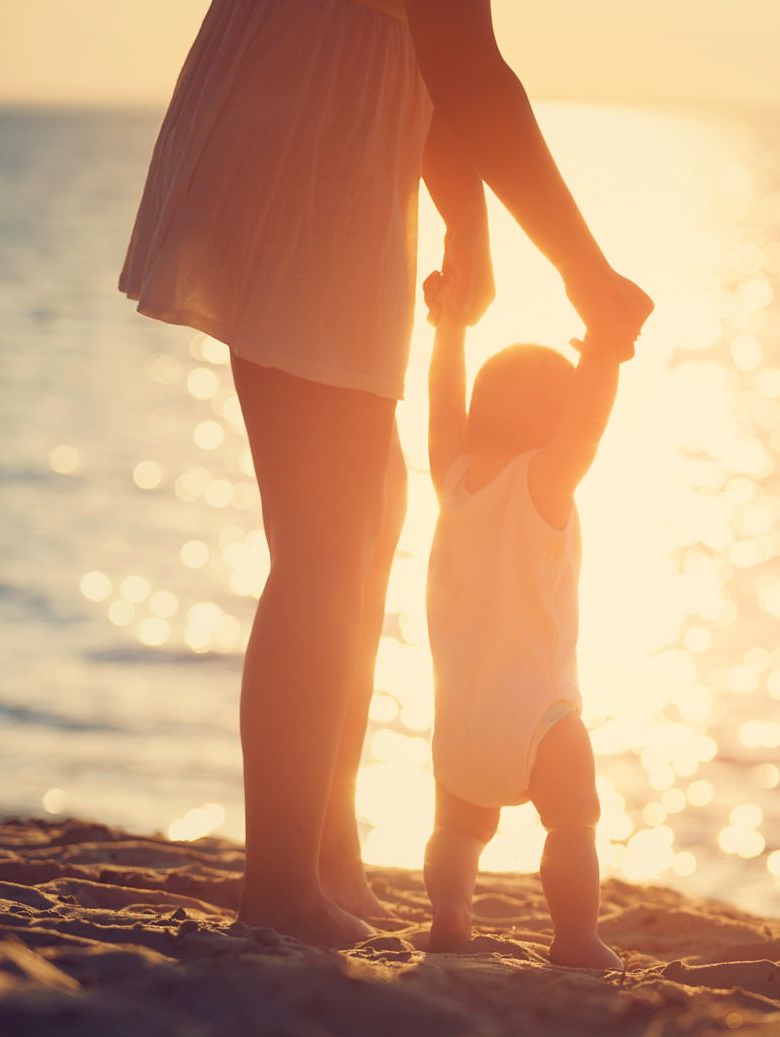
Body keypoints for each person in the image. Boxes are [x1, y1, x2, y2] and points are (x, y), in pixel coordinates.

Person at [119, 0, 651, 947]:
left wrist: (466, 218)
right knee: (325, 546)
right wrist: (584, 273)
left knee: (366, 526)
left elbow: (425, 52)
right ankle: (281, 888)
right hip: (306, 148)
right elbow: (463, 62)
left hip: (331, 141)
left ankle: (327, 860)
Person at [422, 269, 648, 970]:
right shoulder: (544, 484)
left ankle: (451, 914)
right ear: (553, 421)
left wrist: (450, 331)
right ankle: (576, 938)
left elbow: (440, 404)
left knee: (458, 831)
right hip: (536, 714)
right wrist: (603, 356)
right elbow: (590, 427)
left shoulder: (451, 479)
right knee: (572, 822)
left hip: (460, 717)